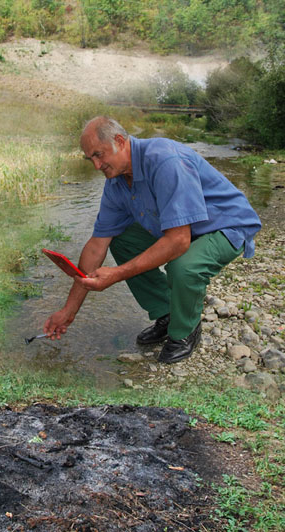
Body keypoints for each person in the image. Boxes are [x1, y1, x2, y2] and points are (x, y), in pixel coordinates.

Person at [44, 116, 261, 364]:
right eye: (90, 158)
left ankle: (185, 331)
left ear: (119, 141)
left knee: (184, 266)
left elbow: (179, 241)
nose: (96, 165)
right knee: (121, 238)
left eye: (99, 154)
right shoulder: (116, 182)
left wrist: (116, 274)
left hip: (226, 224)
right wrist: (68, 311)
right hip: (187, 228)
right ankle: (168, 312)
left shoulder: (165, 160)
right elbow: (96, 245)